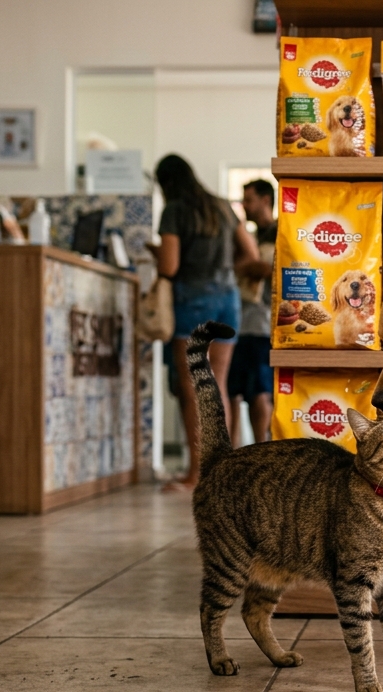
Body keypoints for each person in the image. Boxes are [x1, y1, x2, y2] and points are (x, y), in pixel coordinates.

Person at [150, 154, 261, 488]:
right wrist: (225, 273)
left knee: (192, 390)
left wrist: (156, 255)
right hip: (228, 300)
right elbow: (250, 254)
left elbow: (169, 265)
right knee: (219, 386)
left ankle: (197, 474)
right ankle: (220, 472)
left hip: (193, 302)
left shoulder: (175, 210)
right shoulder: (222, 207)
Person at [228, 179, 277, 445]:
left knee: (260, 391)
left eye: (249, 199)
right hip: (240, 323)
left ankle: (262, 449)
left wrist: (250, 266)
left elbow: (273, 271)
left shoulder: (282, 232)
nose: (244, 205)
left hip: (264, 325)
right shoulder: (247, 236)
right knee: (233, 390)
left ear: (265, 200)